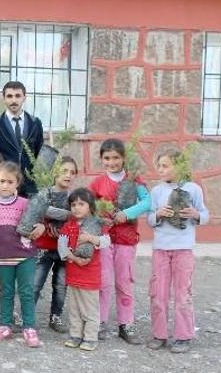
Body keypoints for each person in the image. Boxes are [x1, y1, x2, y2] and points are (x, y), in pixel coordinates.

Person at [88, 138, 151, 344]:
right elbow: (87, 207)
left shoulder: (134, 180)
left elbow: (148, 202)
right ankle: (100, 322)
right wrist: (99, 217)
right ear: (101, 159)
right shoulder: (97, 183)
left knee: (124, 282)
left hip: (126, 239)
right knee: (104, 282)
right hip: (104, 239)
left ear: (123, 158)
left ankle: (126, 324)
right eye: (107, 158)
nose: (111, 162)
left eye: (116, 157)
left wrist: (127, 213)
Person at [146, 149, 209, 353]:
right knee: (158, 294)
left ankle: (183, 336)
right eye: (160, 166)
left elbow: (205, 214)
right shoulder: (156, 191)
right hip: (161, 250)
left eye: (166, 165)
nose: (161, 170)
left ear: (179, 166)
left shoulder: (194, 189)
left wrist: (195, 214)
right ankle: (159, 334)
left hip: (184, 250)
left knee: (183, 294)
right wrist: (158, 214)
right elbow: (149, 220)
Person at [0, 161, 41, 348]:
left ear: (17, 183)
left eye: (10, 182)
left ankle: (29, 327)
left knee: (27, 292)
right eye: (2, 181)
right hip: (1, 258)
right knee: (6, 292)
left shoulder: (25, 204)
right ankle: (5, 325)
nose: (5, 185)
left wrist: (41, 226)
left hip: (24, 257)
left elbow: (37, 221)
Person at [58, 188, 111, 352]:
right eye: (73, 204)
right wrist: (74, 259)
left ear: (91, 207)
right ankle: (75, 335)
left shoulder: (96, 225)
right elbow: (62, 248)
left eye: (81, 204)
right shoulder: (68, 226)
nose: (76, 208)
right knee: (74, 308)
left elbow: (106, 242)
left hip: (90, 276)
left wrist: (90, 238)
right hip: (73, 274)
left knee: (90, 309)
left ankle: (90, 337)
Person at [32, 156, 78, 333]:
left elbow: (77, 218)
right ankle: (27, 316)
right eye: (64, 171)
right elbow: (41, 211)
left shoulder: (73, 198)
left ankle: (55, 317)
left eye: (72, 172)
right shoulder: (45, 193)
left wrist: (66, 222)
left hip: (64, 250)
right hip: (44, 247)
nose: (68, 175)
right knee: (36, 283)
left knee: (60, 285)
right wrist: (65, 216)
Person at [0, 81, 43, 197]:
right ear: (4, 98)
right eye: (9, 96)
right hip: (4, 185)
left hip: (29, 186)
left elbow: (40, 156)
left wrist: (38, 182)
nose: (14, 100)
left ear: (24, 97)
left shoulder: (35, 123)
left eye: (18, 96)